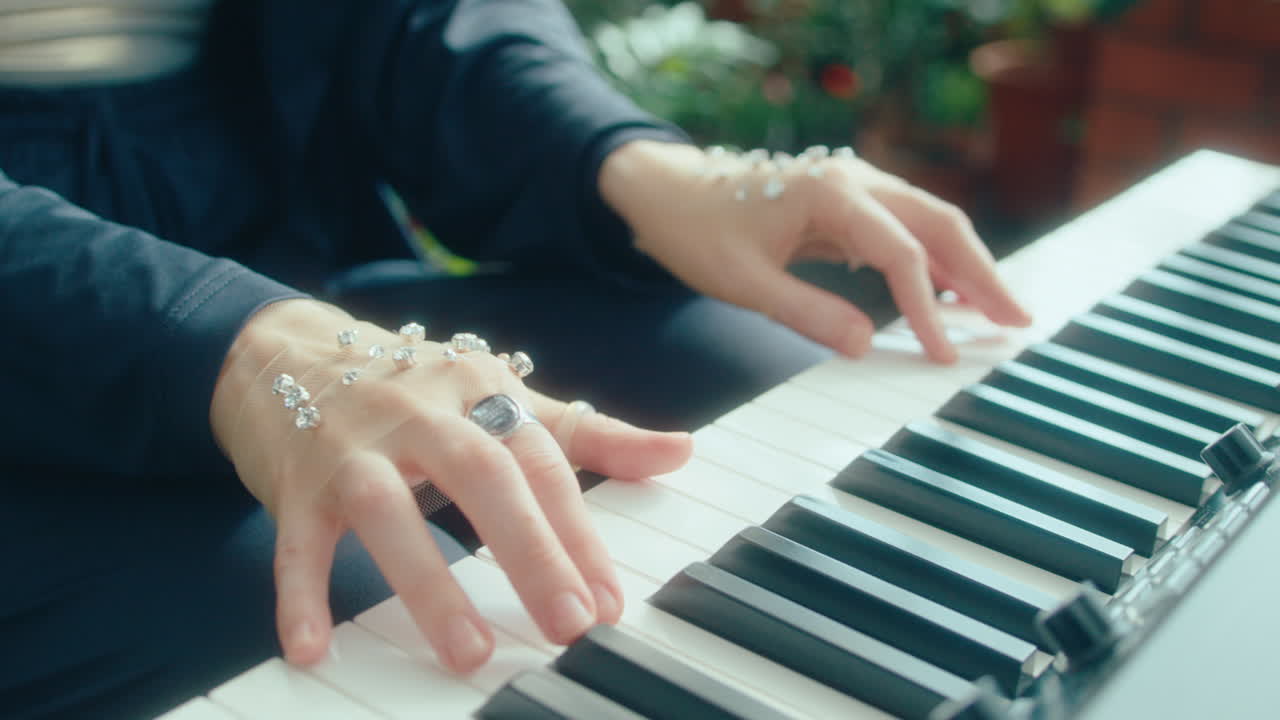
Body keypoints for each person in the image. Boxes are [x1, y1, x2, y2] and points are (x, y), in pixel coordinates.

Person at [0, 1, 1031, 717]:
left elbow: (416, 18)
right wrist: (221, 341)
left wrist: (626, 159)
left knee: (756, 383)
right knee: (386, 610)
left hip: (275, 244)